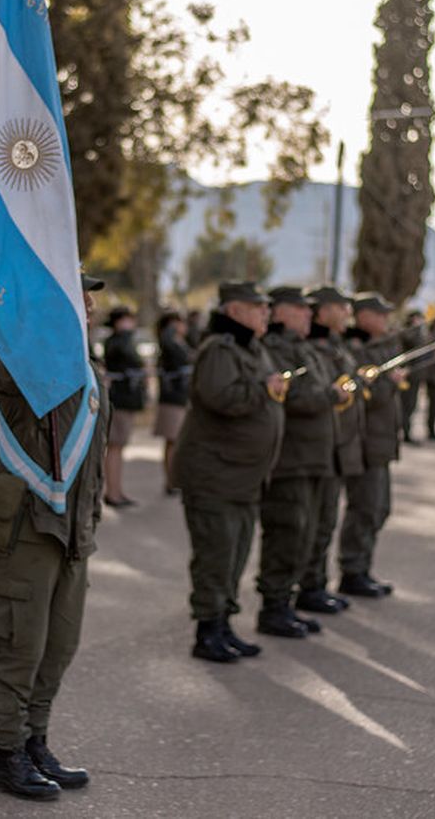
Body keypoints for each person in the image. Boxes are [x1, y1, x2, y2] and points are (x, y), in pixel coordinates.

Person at [0, 273, 109, 801]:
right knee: (18, 643)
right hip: (29, 522)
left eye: (90, 298)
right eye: (79, 298)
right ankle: (6, 756)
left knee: (58, 644)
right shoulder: (22, 362)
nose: (91, 306)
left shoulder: (89, 370)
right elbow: (4, 369)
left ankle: (35, 741)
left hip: (72, 527)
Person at [173, 281, 285, 664]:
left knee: (235, 554)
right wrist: (264, 389)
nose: (265, 313)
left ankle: (223, 623)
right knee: (215, 555)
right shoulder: (219, 349)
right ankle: (207, 631)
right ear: (235, 311)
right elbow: (222, 397)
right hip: (214, 474)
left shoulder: (251, 348)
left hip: (243, 476)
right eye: (257, 307)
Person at [256, 286, 341, 638]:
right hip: (291, 459)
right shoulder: (275, 349)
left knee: (308, 531)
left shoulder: (303, 348)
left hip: (314, 457)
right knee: (287, 532)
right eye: (300, 309)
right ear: (280, 313)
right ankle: (274, 606)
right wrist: (331, 395)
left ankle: (290, 599)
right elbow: (297, 396)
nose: (309, 314)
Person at [297, 286, 363, 616]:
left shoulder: (337, 345)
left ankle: (316, 583)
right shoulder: (310, 346)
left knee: (325, 521)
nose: (347, 313)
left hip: (337, 443)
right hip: (316, 446)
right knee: (311, 522)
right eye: (341, 307)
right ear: (322, 311)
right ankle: (307, 586)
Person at [338, 292, 405, 598]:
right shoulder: (357, 350)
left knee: (379, 509)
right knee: (365, 508)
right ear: (362, 316)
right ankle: (352, 570)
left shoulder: (378, 347)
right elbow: (367, 397)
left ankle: (362, 567)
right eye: (379, 315)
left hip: (381, 441)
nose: (385, 320)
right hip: (365, 442)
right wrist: (389, 382)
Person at [102, 305, 145, 508]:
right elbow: (131, 359)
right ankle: (112, 492)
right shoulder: (118, 341)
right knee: (115, 447)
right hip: (119, 399)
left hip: (124, 399)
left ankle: (116, 490)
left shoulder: (118, 341)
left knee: (118, 447)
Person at [154, 310, 192, 493]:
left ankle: (175, 479)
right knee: (172, 441)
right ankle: (171, 481)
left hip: (181, 397)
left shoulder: (180, 342)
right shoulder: (169, 343)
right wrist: (169, 327)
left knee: (177, 442)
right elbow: (167, 344)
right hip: (172, 398)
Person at [398, 310, 426, 443]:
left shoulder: (420, 333)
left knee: (412, 405)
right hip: (407, 375)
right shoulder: (407, 332)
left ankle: (407, 430)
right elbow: (409, 340)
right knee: (406, 404)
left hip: (416, 375)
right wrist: (415, 327)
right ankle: (404, 431)